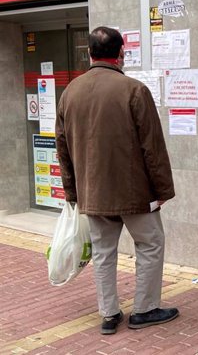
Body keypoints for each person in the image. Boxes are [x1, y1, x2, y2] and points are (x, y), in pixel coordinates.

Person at [55, 26, 178, 335]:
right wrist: (163, 189)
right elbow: (153, 146)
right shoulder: (134, 90)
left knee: (103, 253)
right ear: (121, 53)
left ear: (89, 53)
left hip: (92, 193)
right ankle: (145, 309)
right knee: (150, 245)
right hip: (134, 191)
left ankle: (109, 314)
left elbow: (63, 148)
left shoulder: (70, 92)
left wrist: (72, 192)